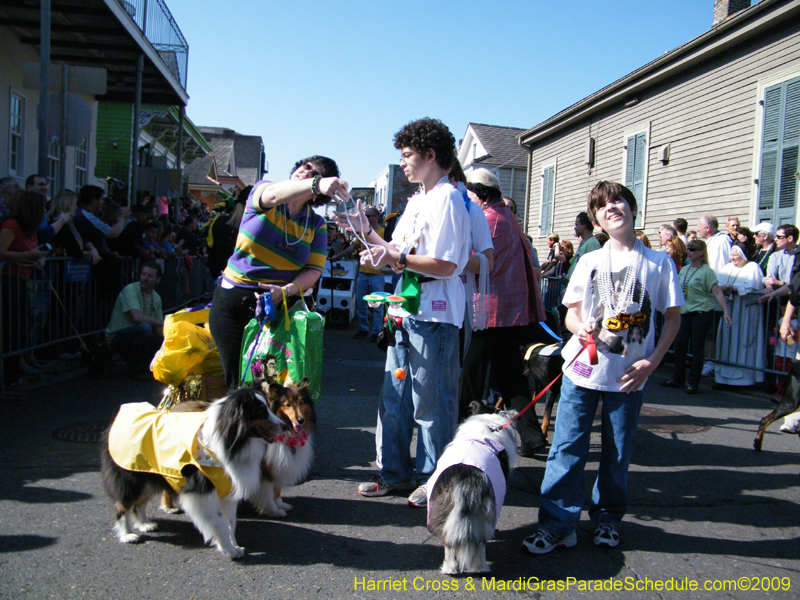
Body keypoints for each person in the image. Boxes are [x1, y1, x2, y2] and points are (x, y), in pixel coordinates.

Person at [522, 181, 681, 555]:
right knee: (566, 448)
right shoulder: (591, 259)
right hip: (583, 371)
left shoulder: (659, 263)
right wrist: (583, 328)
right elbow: (572, 316)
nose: (612, 207)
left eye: (619, 200)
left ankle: (607, 519)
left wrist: (652, 362)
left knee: (617, 452)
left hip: (628, 377)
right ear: (596, 219)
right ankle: (558, 524)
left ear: (633, 208)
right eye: (603, 205)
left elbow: (672, 319)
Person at [337, 118, 470, 508]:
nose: (404, 163)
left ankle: (435, 481)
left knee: (432, 404)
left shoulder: (447, 198)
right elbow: (396, 252)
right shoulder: (417, 200)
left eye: (408, 156)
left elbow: (446, 265)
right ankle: (395, 473)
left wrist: (394, 256)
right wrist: (365, 230)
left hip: (435, 313)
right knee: (394, 397)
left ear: (431, 156)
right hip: (405, 307)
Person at [208, 155, 347, 390]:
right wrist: (316, 183)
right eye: (305, 166)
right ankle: (241, 427)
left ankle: (268, 427)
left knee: (270, 381)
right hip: (233, 303)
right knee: (239, 383)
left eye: (315, 173)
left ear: (320, 193)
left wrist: (284, 291)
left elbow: (313, 270)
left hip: (277, 310)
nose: (305, 171)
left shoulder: (315, 224)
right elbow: (272, 195)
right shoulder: (265, 191)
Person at [458, 168, 546, 455]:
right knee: (510, 376)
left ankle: (460, 428)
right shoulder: (507, 216)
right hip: (507, 310)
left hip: (493, 311)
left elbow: (475, 261)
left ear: (480, 194)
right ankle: (532, 436)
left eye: (469, 193)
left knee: (472, 371)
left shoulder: (490, 219)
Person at [661, 239, 731, 394]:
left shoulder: (707, 271)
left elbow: (717, 291)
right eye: (688, 249)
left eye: (693, 249)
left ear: (701, 252)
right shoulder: (685, 269)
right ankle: (677, 379)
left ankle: (693, 383)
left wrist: (726, 310)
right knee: (679, 345)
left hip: (701, 311)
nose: (689, 252)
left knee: (697, 347)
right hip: (685, 311)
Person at [0, 190, 48, 383]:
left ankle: (14, 373)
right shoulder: (11, 225)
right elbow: (1, 252)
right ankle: (8, 376)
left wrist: (39, 258)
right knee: (11, 328)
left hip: (23, 279)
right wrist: (29, 255)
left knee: (22, 327)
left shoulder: (30, 228)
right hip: (8, 280)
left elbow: (32, 251)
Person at [331, 207, 387, 341]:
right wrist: (338, 256)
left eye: (370, 216)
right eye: (365, 216)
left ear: (377, 217)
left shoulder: (383, 232)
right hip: (363, 272)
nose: (367, 218)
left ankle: (376, 332)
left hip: (377, 274)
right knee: (361, 304)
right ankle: (363, 329)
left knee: (377, 305)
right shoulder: (362, 232)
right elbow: (353, 247)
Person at [714, 244, 765, 387]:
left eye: (735, 255)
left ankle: (744, 380)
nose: (732, 258)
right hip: (729, 310)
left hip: (745, 312)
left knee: (744, 343)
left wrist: (732, 287)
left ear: (743, 255)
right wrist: (725, 288)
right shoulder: (728, 267)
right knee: (726, 343)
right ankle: (723, 378)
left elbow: (752, 288)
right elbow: (717, 284)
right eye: (731, 255)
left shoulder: (752, 267)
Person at [105, 262, 164, 378]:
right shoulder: (130, 290)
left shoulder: (156, 297)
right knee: (145, 328)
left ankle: (149, 367)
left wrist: (171, 340)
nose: (145, 278)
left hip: (136, 334)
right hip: (117, 337)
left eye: (150, 276)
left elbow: (158, 329)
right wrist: (159, 323)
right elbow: (136, 317)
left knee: (159, 338)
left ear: (158, 280)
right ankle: (137, 369)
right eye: (143, 274)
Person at [565, 211, 600, 282]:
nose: (575, 228)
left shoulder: (592, 243)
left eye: (577, 225)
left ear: (584, 226)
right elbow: (575, 262)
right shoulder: (584, 242)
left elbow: (591, 270)